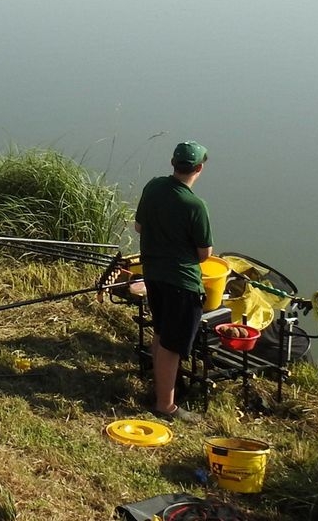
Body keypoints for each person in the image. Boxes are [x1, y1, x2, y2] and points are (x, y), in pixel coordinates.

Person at [134, 141, 214, 424]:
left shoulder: (154, 186)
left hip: (153, 274)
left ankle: (161, 387)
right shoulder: (195, 205)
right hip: (182, 283)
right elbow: (204, 254)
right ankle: (165, 405)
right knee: (172, 345)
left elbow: (139, 226)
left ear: (173, 163)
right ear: (199, 168)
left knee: (160, 331)